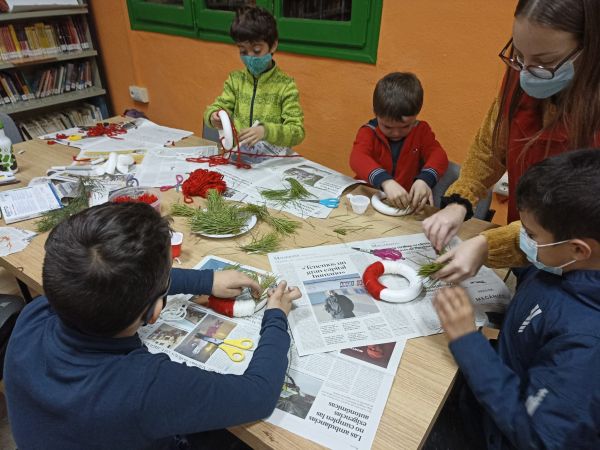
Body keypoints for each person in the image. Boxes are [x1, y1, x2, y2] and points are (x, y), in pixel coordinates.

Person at [4, 202, 301, 449]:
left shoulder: (35, 314)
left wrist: (206, 280)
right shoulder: (145, 385)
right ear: (154, 312)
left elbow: (113, 283)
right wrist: (275, 316)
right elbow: (258, 395)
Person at [432, 149, 600, 449]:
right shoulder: (563, 264)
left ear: (578, 249)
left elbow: (538, 437)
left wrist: (468, 340)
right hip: (489, 385)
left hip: (494, 434)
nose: (521, 238)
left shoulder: (586, 345)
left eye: (530, 234)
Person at [423, 0, 600, 283]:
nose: (527, 72)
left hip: (579, 273)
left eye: (544, 62)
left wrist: (487, 245)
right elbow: (489, 148)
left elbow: (576, 220)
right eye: (518, 55)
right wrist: (460, 202)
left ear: (589, 48)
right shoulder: (522, 75)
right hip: (530, 247)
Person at [204, 5, 305, 149]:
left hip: (271, 163)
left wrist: (266, 131)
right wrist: (214, 116)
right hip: (240, 159)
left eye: (257, 50)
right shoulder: (236, 81)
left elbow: (297, 132)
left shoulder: (285, 86)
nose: (250, 57)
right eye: (243, 51)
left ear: (273, 46)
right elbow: (217, 107)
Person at [349, 72, 449, 212]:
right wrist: (385, 181)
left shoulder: (421, 130)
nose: (396, 133)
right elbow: (357, 158)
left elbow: (439, 155)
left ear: (416, 115)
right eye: (387, 127)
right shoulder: (368, 132)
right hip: (368, 200)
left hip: (403, 205)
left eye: (405, 126)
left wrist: (425, 179)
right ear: (375, 113)